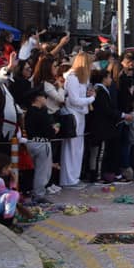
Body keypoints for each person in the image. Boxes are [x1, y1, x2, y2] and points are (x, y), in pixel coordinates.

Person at [60, 53, 95, 189]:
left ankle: (75, 177)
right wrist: (91, 99)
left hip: (81, 113)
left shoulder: (83, 79)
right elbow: (74, 100)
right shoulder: (73, 78)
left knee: (78, 148)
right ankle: (68, 179)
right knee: (71, 148)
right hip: (73, 114)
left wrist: (88, 96)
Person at [23, 88, 57, 204]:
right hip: (42, 144)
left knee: (31, 170)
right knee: (42, 171)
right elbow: (49, 131)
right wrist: (55, 130)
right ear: (37, 98)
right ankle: (38, 194)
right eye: (43, 96)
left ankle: (29, 191)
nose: (45, 98)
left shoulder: (29, 112)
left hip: (30, 142)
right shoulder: (41, 113)